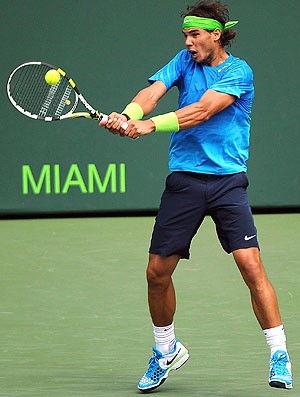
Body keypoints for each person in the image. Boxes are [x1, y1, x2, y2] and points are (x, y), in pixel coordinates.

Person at [99, 0, 293, 393]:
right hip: (185, 182)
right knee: (157, 273)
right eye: (185, 35)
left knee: (250, 266)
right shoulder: (183, 61)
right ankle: (165, 350)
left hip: (227, 182)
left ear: (216, 35)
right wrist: (127, 114)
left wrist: (147, 126)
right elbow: (153, 91)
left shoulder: (239, 72)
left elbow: (202, 111)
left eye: (195, 35)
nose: (188, 42)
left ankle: (279, 354)